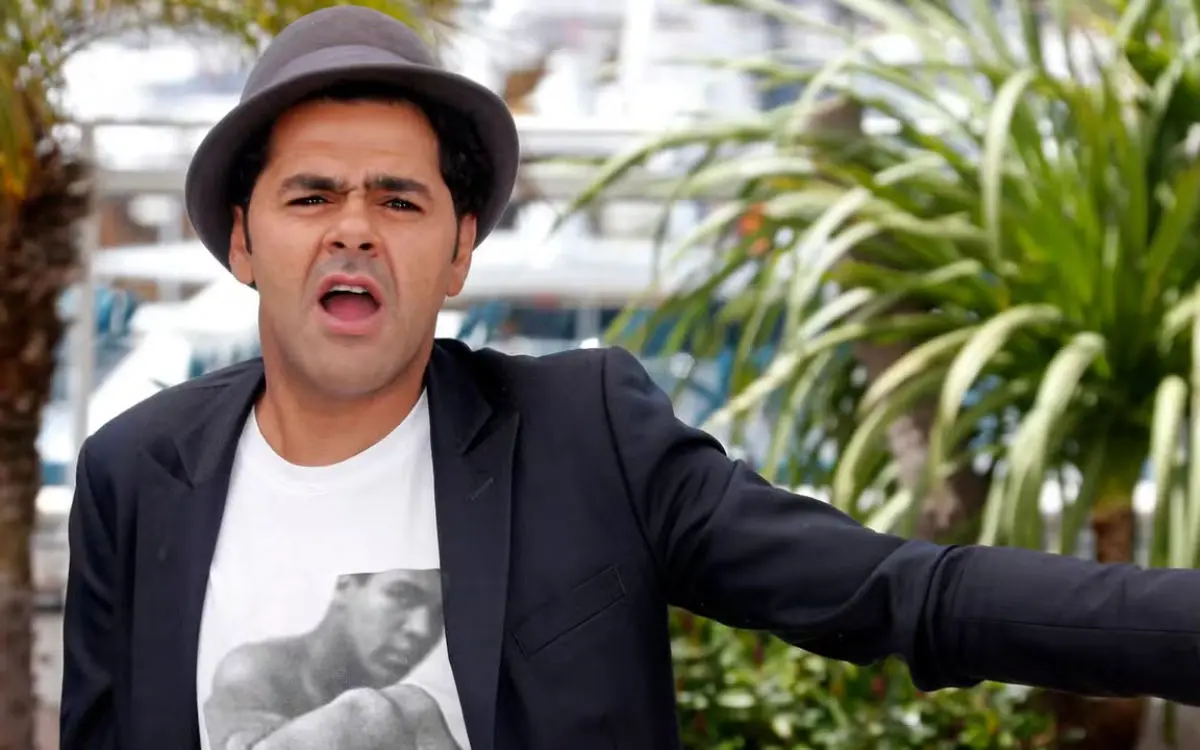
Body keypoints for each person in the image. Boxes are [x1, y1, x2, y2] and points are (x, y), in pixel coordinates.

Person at [59, 6, 1200, 750]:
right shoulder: (135, 473)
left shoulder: (583, 433)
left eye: (399, 199)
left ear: (458, 255)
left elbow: (902, 594)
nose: (353, 227)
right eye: (311, 195)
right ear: (243, 241)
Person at [202, 569, 460, 750]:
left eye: (441, 613)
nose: (423, 628)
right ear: (344, 585)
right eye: (402, 595)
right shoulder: (252, 671)